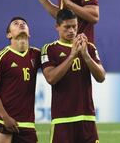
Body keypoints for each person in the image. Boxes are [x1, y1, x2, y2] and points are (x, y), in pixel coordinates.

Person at [41, 9, 105, 143]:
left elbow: (101, 77)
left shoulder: (89, 47)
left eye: (74, 26)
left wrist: (86, 55)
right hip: (62, 119)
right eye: (67, 27)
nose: (71, 30)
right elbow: (51, 78)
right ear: (57, 27)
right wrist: (72, 55)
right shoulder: (50, 49)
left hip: (87, 118)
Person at [0, 17, 41, 143]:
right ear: (8, 34)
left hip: (27, 124)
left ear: (29, 32)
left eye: (24, 24)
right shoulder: (1, 57)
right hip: (2, 121)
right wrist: (5, 117)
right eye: (15, 24)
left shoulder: (36, 54)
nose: (20, 24)